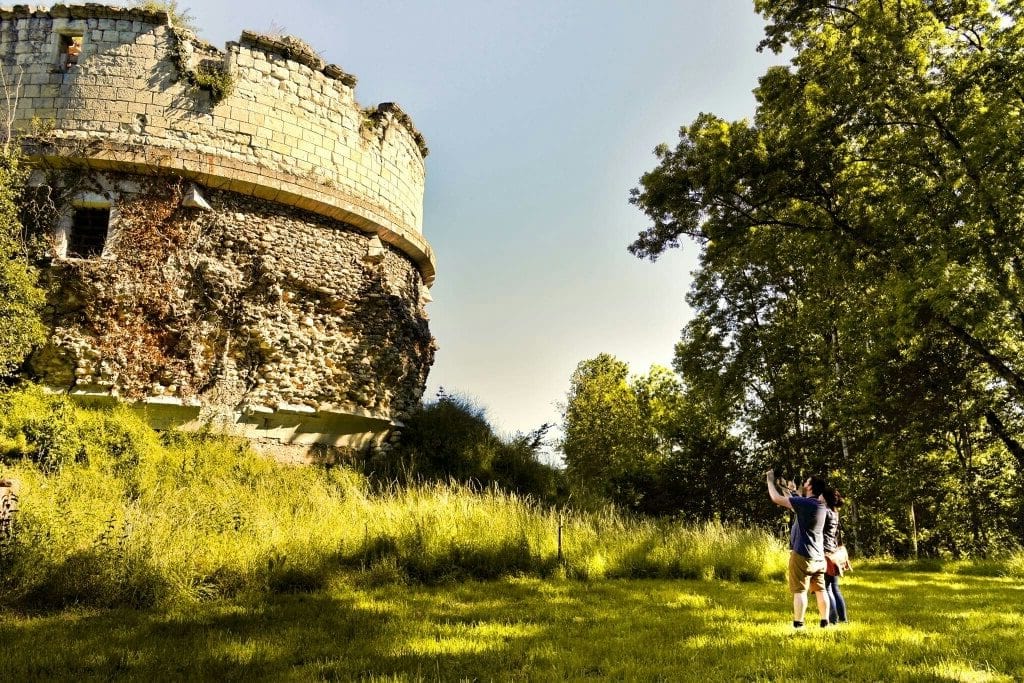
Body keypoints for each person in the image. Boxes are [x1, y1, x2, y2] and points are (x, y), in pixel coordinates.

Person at [766, 470, 831, 628]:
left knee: (799, 591)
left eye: (806, 482)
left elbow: (776, 499)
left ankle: (798, 625)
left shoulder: (806, 504)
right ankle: (824, 622)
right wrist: (790, 489)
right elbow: (795, 502)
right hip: (818, 557)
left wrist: (770, 481)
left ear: (810, 487)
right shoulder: (820, 505)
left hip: (803, 554)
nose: (804, 483)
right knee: (821, 590)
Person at [823, 487, 849, 624]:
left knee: (826, 588)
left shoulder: (825, 512)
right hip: (833, 551)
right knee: (835, 588)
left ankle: (833, 620)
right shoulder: (834, 512)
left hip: (825, 553)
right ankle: (843, 619)